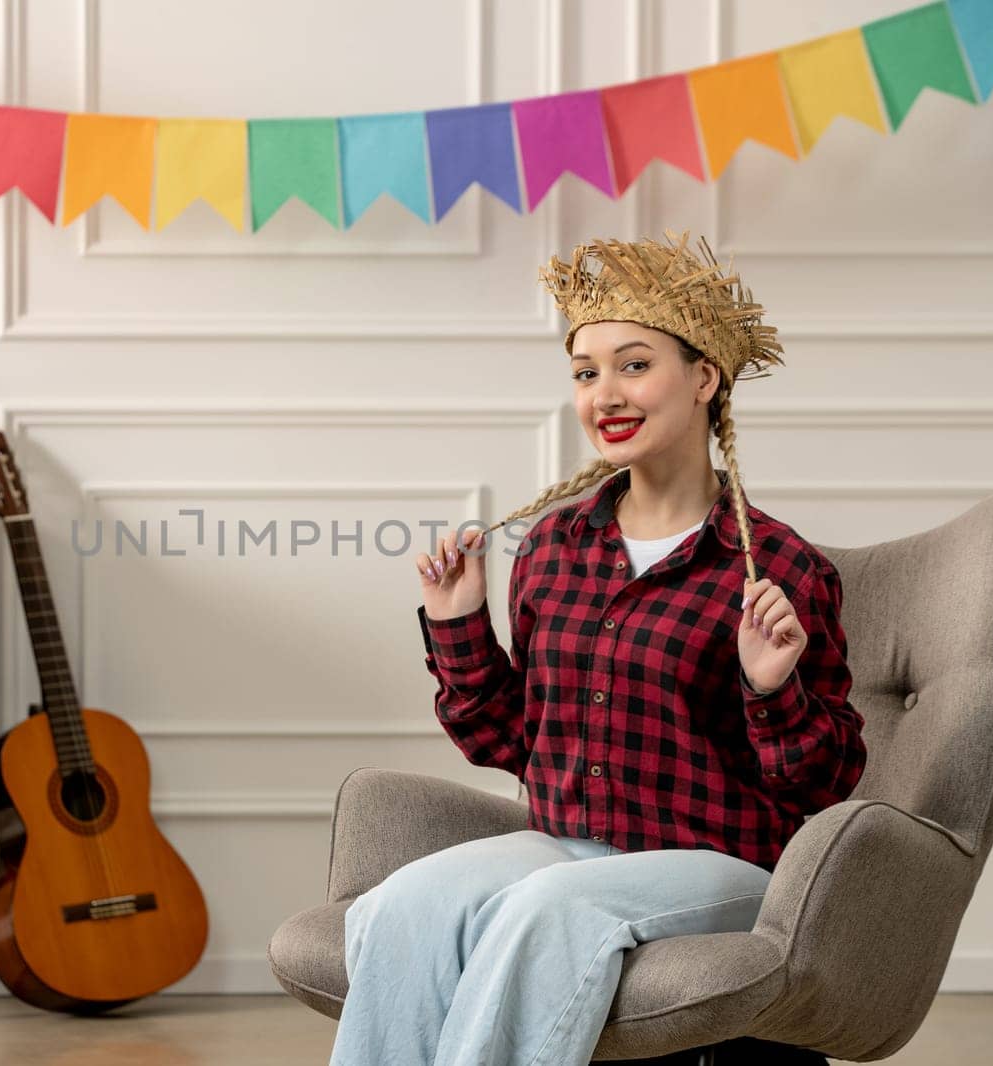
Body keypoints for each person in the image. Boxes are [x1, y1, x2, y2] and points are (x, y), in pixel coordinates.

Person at [329, 231, 868, 1066]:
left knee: (548, 911)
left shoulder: (780, 566)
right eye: (586, 372)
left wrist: (773, 691)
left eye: (633, 364)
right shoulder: (552, 548)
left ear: (704, 377)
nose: (604, 393)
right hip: (571, 842)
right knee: (405, 904)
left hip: (723, 865)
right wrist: (458, 624)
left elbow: (826, 785)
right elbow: (512, 744)